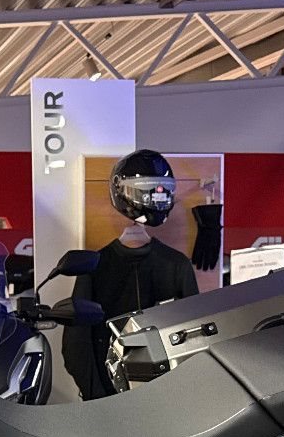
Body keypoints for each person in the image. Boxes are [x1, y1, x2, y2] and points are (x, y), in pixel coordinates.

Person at [62, 149, 198, 400]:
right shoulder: (94, 266)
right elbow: (76, 344)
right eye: (146, 188)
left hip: (166, 395)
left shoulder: (177, 265)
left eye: (162, 189)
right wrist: (98, 397)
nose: (158, 195)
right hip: (117, 397)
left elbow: (194, 335)